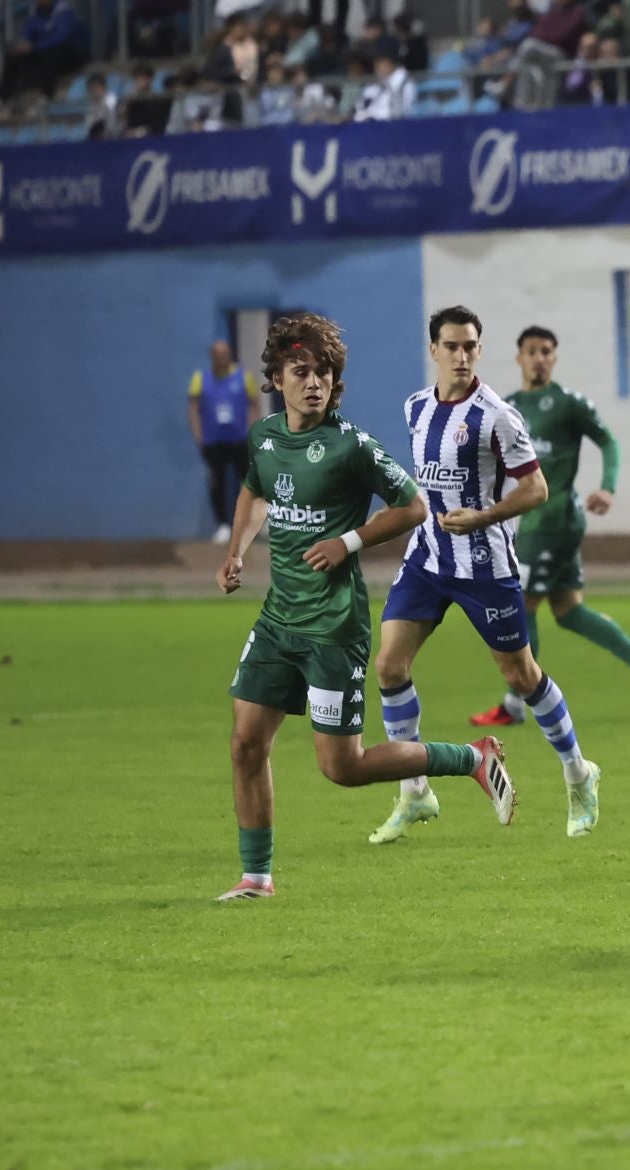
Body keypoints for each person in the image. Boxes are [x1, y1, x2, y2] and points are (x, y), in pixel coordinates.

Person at [215, 314, 515, 902]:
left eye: (324, 372)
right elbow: (255, 488)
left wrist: (347, 542)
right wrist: (236, 552)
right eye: (301, 371)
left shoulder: (350, 445)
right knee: (246, 742)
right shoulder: (265, 437)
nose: (314, 382)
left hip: (332, 627)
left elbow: (413, 506)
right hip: (279, 621)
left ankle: (469, 758)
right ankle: (256, 878)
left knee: (342, 768)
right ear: (276, 377)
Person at [370, 306, 604, 844]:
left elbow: (536, 489)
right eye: (451, 346)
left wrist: (483, 516)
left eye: (470, 346)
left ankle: (578, 773)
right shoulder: (415, 408)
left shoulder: (497, 415)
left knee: (521, 677)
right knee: (388, 664)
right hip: (428, 558)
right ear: (433, 350)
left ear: (479, 349)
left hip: (486, 566)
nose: (461, 355)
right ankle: (414, 792)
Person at [469, 326, 630, 728]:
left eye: (547, 351)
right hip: (534, 520)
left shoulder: (568, 404)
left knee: (522, 603)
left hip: (555, 518)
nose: (539, 357)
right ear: (518, 357)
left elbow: (608, 441)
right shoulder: (505, 408)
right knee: (568, 609)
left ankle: (515, 701)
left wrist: (608, 487)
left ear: (555, 358)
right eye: (532, 351)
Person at [191, 340, 255, 543]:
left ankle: (248, 525)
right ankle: (223, 525)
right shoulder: (201, 379)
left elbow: (254, 405)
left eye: (225, 354)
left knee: (246, 483)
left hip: (239, 440)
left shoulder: (244, 377)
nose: (222, 358)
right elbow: (193, 408)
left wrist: (252, 431)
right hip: (213, 442)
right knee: (217, 484)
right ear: (212, 357)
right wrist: (199, 435)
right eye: (218, 355)